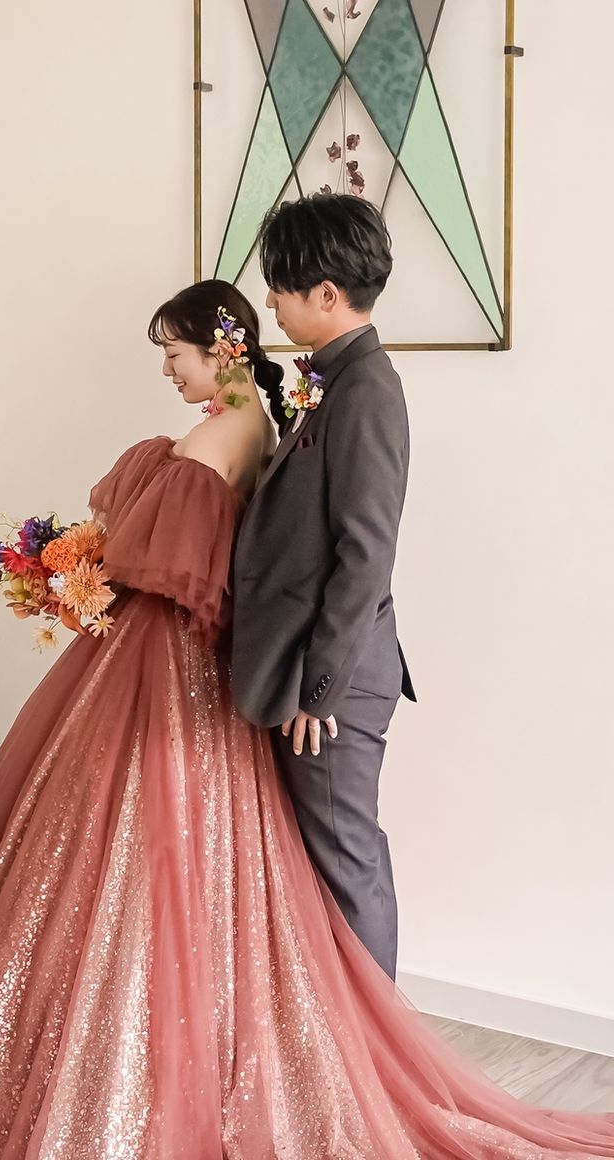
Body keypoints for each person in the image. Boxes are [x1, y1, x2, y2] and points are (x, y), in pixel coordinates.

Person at [0, 278, 614, 1159]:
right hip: (210, 670)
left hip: (161, 665)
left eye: (174, 351)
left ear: (221, 348)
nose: (166, 369)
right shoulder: (266, 422)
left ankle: (155, 1072)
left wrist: (62, 568)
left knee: (124, 861)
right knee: (201, 866)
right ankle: (257, 1050)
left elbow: (158, 563)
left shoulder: (226, 431)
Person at [232, 194, 416, 981]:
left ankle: (375, 1045)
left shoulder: (367, 389)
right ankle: (344, 1033)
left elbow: (365, 555)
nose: (271, 301)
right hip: (314, 665)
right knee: (331, 856)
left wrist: (320, 690)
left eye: (281, 285)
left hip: (335, 677)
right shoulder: (333, 380)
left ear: (327, 294)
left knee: (346, 858)